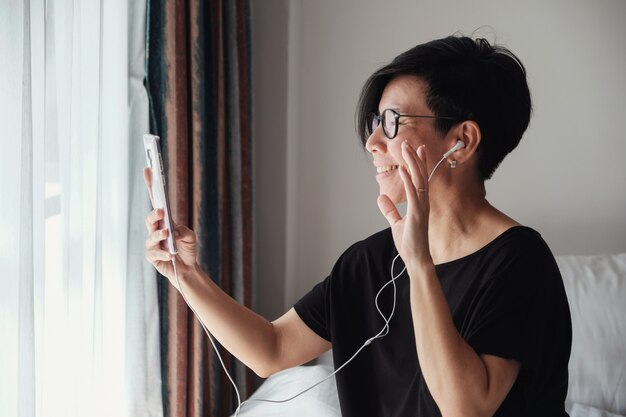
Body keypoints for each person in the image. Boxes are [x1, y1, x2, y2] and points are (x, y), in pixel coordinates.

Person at [145, 35, 572, 417]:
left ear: (461, 140)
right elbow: (272, 349)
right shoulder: (367, 262)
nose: (372, 143)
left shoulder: (520, 262)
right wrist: (187, 275)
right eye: (376, 123)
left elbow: (465, 408)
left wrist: (419, 264)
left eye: (391, 122)